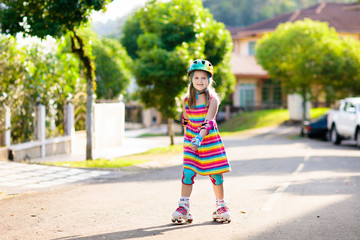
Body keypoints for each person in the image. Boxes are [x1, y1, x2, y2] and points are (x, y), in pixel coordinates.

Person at [171, 59, 231, 224]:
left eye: (203, 78)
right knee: (188, 173)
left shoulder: (213, 99)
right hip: (192, 143)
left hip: (209, 141)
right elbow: (186, 121)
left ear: (209, 80)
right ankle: (183, 207)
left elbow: (209, 121)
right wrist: (189, 141)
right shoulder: (186, 100)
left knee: (216, 175)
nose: (199, 81)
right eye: (196, 77)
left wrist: (200, 137)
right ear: (191, 79)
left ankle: (221, 207)